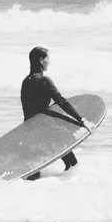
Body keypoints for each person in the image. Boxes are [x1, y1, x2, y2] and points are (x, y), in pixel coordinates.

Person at [20, 45, 87, 175]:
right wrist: (81, 119)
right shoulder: (44, 81)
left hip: (29, 133)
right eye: (47, 59)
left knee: (33, 175)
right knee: (72, 166)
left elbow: (27, 111)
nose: (49, 62)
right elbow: (62, 102)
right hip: (47, 132)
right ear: (41, 60)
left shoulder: (25, 82)